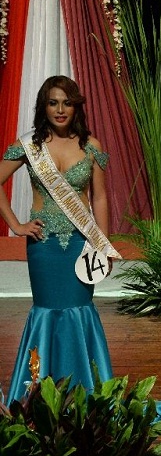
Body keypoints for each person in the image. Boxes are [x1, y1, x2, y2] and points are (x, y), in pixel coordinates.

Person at [0, 76, 114, 402]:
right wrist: (16, 225)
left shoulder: (92, 145)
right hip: (43, 247)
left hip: (81, 244)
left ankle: (86, 397)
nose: (60, 109)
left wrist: (102, 245)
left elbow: (100, 199)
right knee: (47, 311)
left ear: (76, 104)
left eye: (66, 102)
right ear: (44, 106)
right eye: (53, 102)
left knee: (80, 309)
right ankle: (37, 398)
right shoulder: (29, 145)